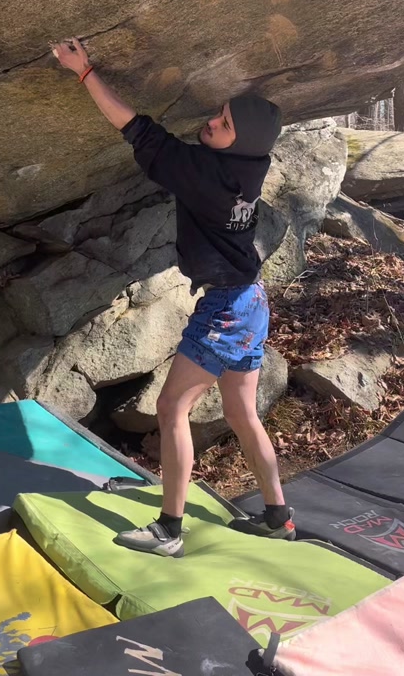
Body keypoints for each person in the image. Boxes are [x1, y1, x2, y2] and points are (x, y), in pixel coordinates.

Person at [52, 37, 295, 558]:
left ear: (240, 142)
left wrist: (85, 71)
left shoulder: (206, 176)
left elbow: (137, 129)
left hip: (227, 309)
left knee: (170, 407)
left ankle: (169, 530)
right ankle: (278, 517)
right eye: (220, 113)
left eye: (223, 124)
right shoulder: (251, 164)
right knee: (241, 414)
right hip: (251, 301)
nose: (211, 122)